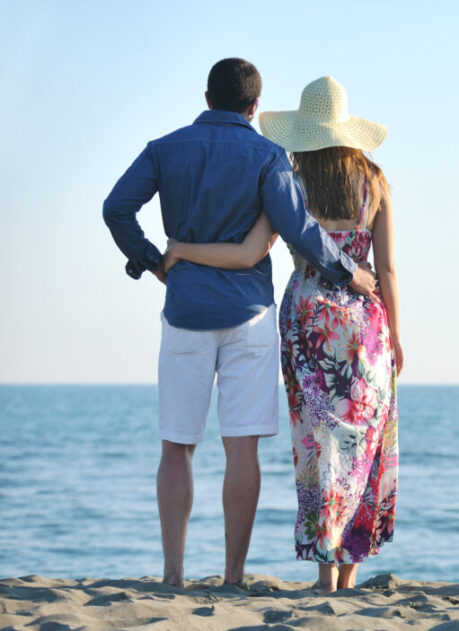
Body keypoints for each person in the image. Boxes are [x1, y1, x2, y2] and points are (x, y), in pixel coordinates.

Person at [102, 59, 379, 588]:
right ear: (255, 107)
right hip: (249, 316)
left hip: (184, 313)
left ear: (206, 98)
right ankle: (232, 577)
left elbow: (116, 208)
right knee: (241, 447)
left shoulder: (164, 149)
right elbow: (299, 230)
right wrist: (350, 274)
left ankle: (173, 575)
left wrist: (152, 259)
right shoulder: (268, 156)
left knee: (176, 446)